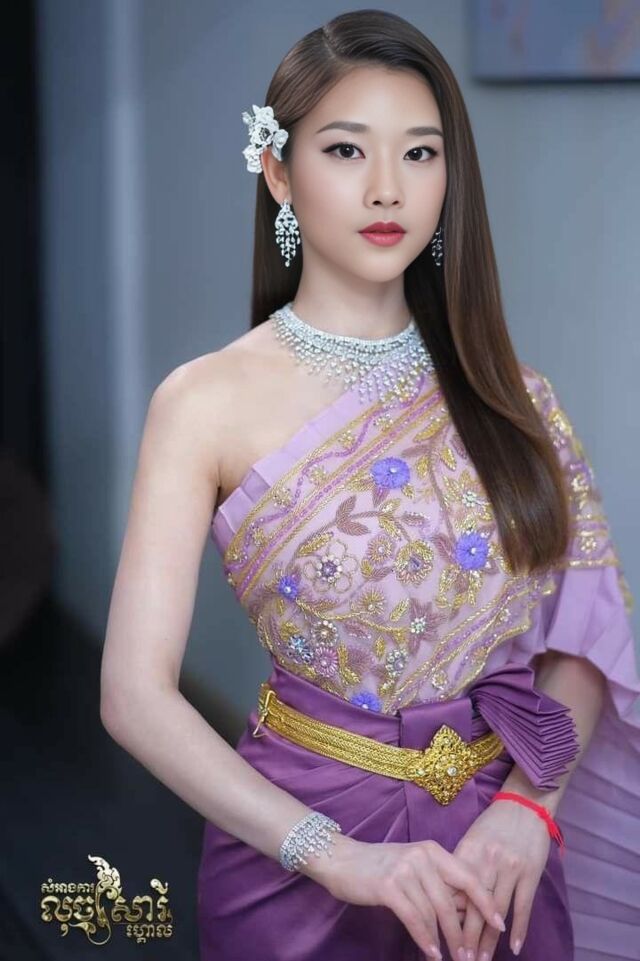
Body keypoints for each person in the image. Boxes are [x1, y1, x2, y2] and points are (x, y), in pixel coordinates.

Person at [99, 10, 640, 961]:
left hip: (498, 867)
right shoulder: (202, 403)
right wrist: (335, 855)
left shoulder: (513, 396)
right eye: (346, 149)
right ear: (278, 171)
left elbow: (585, 639)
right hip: (297, 865)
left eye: (420, 153)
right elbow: (134, 695)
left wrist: (529, 807)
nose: (388, 186)